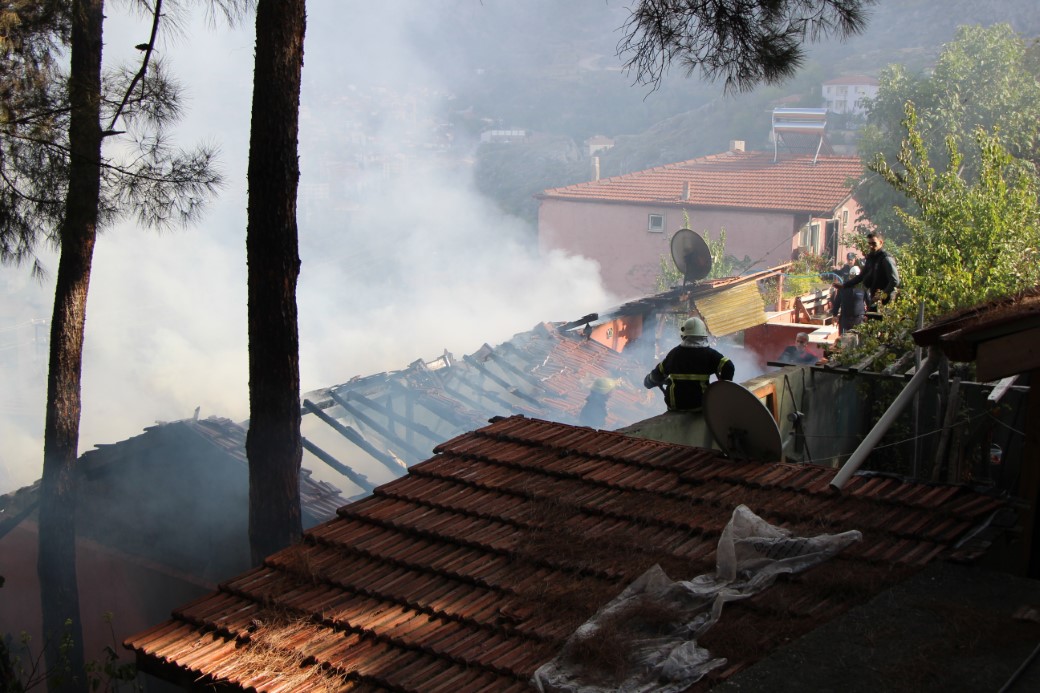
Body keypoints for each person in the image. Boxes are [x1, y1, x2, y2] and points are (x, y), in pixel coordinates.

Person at [643, 317, 734, 412]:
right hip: (700, 406)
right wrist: (722, 387)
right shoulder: (710, 355)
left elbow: (657, 375)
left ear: (684, 336)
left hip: (676, 407)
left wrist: (648, 381)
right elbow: (729, 366)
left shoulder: (674, 354)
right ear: (703, 336)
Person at [836, 231, 899, 311]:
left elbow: (895, 281)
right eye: (869, 244)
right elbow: (861, 276)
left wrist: (882, 295)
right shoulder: (871, 258)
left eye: (874, 243)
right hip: (874, 299)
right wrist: (845, 285)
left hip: (886, 302)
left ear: (881, 242)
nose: (871, 246)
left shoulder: (886, 259)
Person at [831, 265, 868, 335]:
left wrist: (869, 315)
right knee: (843, 341)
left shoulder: (863, 288)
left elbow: (869, 302)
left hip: (859, 319)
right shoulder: (843, 288)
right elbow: (837, 302)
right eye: (852, 276)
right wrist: (834, 315)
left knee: (859, 341)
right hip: (845, 320)